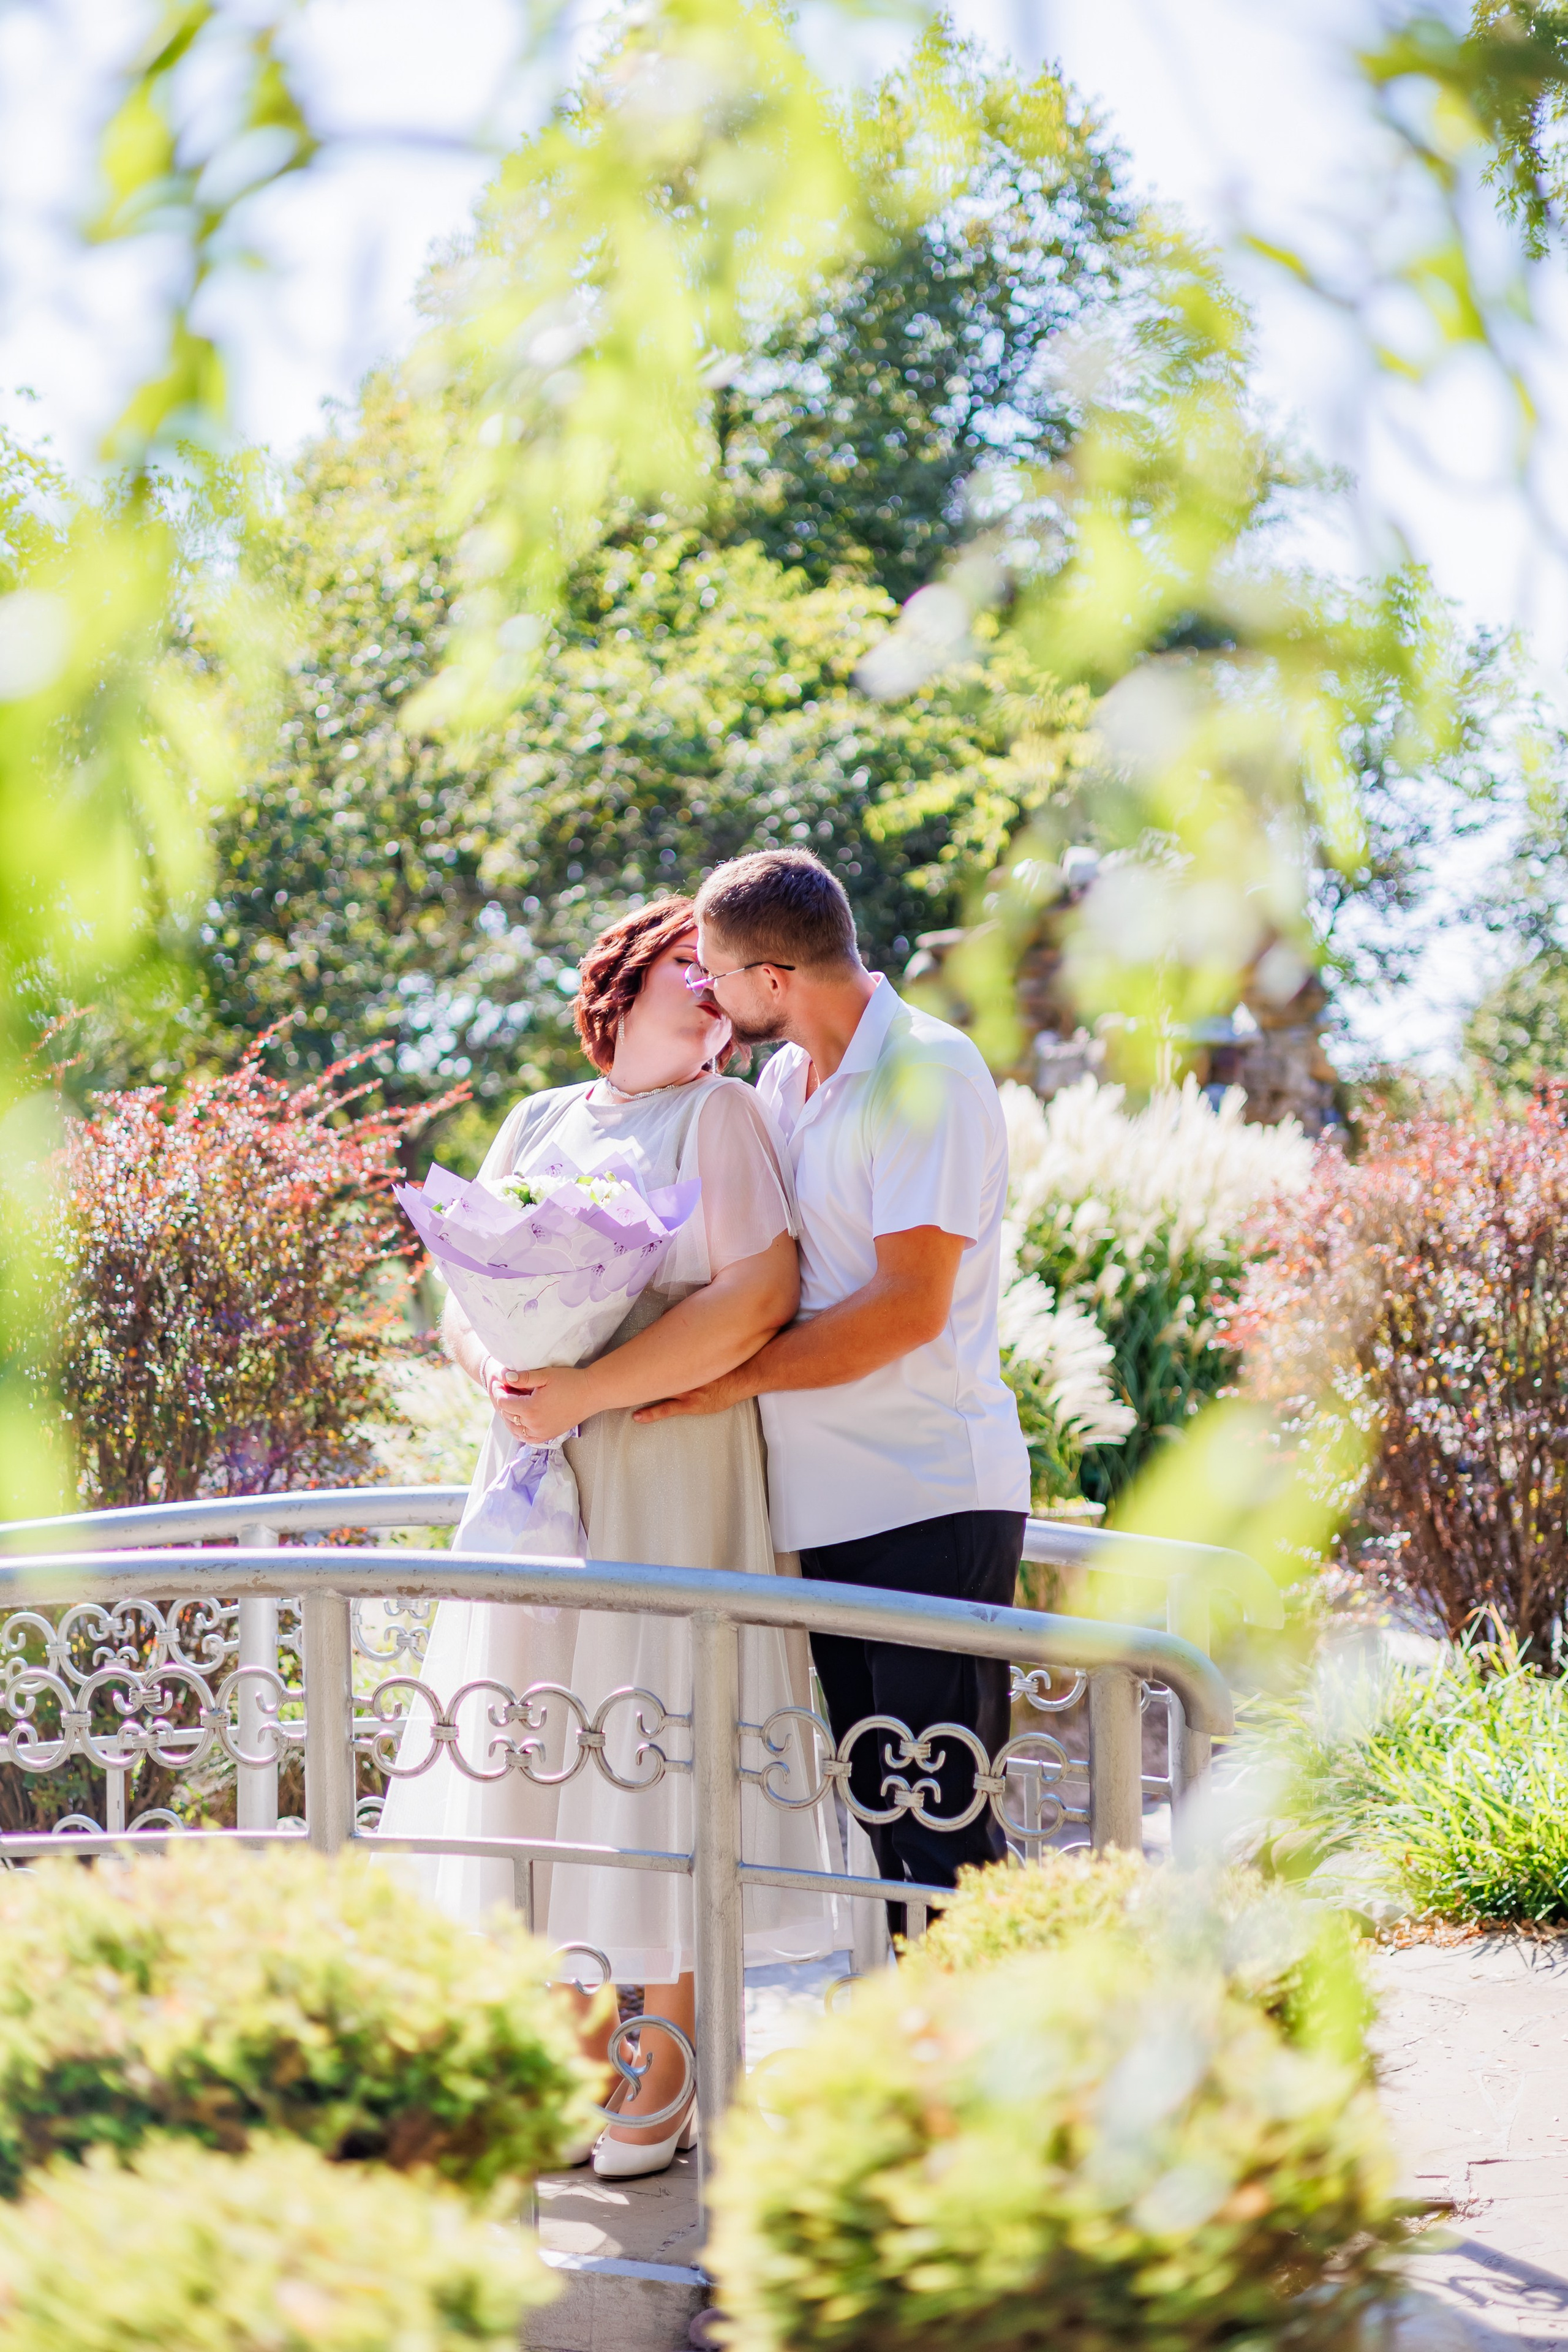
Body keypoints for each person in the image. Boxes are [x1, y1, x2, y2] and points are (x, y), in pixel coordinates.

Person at [379, 895, 839, 2178]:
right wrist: (499, 1370)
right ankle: (572, 2054)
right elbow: (458, 1283)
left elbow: (758, 1296)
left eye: (721, 978)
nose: (709, 992)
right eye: (683, 969)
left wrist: (588, 1388)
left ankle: (664, 2066)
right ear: (620, 987)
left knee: (651, 1727)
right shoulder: (536, 1119)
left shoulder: (725, 1116)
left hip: (666, 1460)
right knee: (537, 1734)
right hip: (536, 1467)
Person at [638, 848, 1031, 1925]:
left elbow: (908, 1310)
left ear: (773, 979)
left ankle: (1008, 2077)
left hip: (928, 1499)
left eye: (714, 975)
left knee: (945, 1827)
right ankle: (918, 2071)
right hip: (829, 1509)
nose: (704, 995)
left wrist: (734, 1383)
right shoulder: (783, 1084)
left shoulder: (927, 1075)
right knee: (881, 1815)